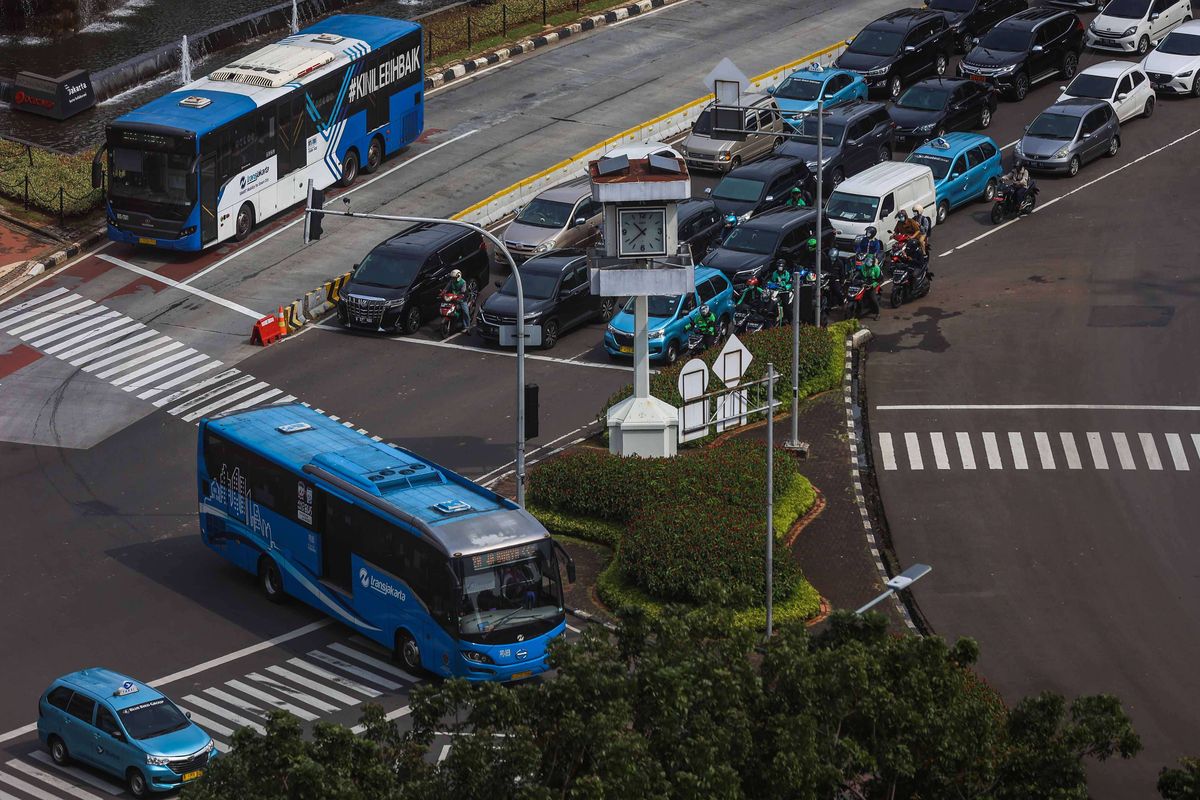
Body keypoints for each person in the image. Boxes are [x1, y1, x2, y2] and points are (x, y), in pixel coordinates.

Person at [443, 268, 471, 333]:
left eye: (454, 278)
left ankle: (467, 327)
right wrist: (443, 292)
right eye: (452, 277)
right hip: (453, 298)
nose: (452, 279)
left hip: (461, 299)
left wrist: (460, 296)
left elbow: (463, 291)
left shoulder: (463, 282)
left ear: (458, 277)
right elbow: (447, 287)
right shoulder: (451, 281)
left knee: (465, 312)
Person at [857, 249, 882, 320]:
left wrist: (872, 285)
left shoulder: (876, 268)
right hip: (864, 283)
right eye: (867, 260)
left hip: (872, 284)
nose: (868, 262)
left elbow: (879, 280)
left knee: (872, 298)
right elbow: (860, 275)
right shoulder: (863, 267)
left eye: (870, 261)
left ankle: (877, 313)